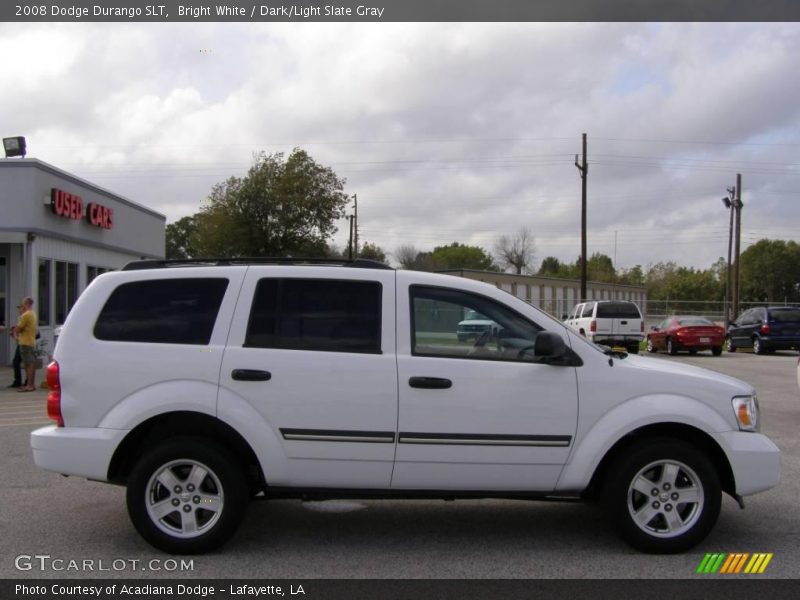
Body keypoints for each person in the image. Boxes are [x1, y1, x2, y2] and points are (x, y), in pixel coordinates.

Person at [15, 297, 38, 392]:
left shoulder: (26, 315)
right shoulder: (33, 314)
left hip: (25, 341)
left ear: (27, 303)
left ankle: (29, 385)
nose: (22, 305)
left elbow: (19, 328)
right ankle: (31, 384)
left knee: (28, 364)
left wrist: (16, 334)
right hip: (31, 341)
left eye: (23, 303)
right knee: (31, 363)